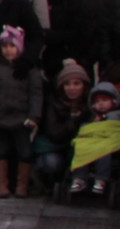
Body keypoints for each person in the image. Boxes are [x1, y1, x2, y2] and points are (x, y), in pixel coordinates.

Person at [0, 28, 44, 198]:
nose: (8, 50)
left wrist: (34, 116)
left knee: (25, 152)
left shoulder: (29, 68)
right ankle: (2, 185)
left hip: (22, 118)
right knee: (0, 151)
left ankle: (21, 185)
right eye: (5, 46)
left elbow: (36, 93)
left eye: (12, 46)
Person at [34, 60, 91, 194]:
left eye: (76, 83)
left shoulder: (91, 105)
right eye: (67, 84)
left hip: (79, 149)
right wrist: (72, 120)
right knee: (51, 163)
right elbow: (55, 134)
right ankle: (51, 183)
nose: (71, 88)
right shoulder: (53, 104)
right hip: (55, 147)